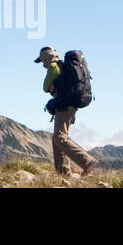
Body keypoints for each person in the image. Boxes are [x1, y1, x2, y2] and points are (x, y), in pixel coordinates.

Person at [36, 46, 97, 177]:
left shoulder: (53, 67)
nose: (42, 64)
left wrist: (51, 86)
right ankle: (63, 173)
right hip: (69, 106)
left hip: (64, 107)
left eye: (42, 61)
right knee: (57, 139)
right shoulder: (62, 65)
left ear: (45, 57)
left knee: (60, 138)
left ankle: (88, 162)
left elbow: (45, 87)